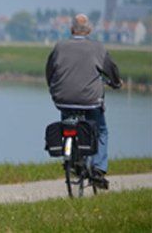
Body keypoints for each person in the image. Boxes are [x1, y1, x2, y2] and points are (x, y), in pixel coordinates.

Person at [46, 14, 122, 187]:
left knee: (68, 123)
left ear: (71, 29)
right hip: (90, 100)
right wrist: (116, 83)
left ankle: (73, 159)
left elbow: (49, 70)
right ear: (89, 30)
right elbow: (111, 70)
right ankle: (98, 169)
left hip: (63, 99)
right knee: (101, 130)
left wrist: (53, 88)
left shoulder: (59, 47)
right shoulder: (97, 48)